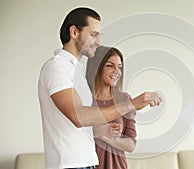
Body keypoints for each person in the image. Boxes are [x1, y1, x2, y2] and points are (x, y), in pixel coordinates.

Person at [38, 7, 162, 169]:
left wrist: (105, 131)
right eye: (93, 34)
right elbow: (79, 116)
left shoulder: (76, 71)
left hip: (88, 163)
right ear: (74, 32)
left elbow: (84, 125)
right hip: (69, 165)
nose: (98, 42)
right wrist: (131, 104)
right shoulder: (57, 67)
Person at [86, 46, 136, 169]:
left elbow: (131, 145)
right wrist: (102, 131)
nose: (116, 71)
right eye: (110, 66)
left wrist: (107, 136)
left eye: (119, 67)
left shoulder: (124, 100)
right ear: (96, 68)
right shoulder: (83, 99)